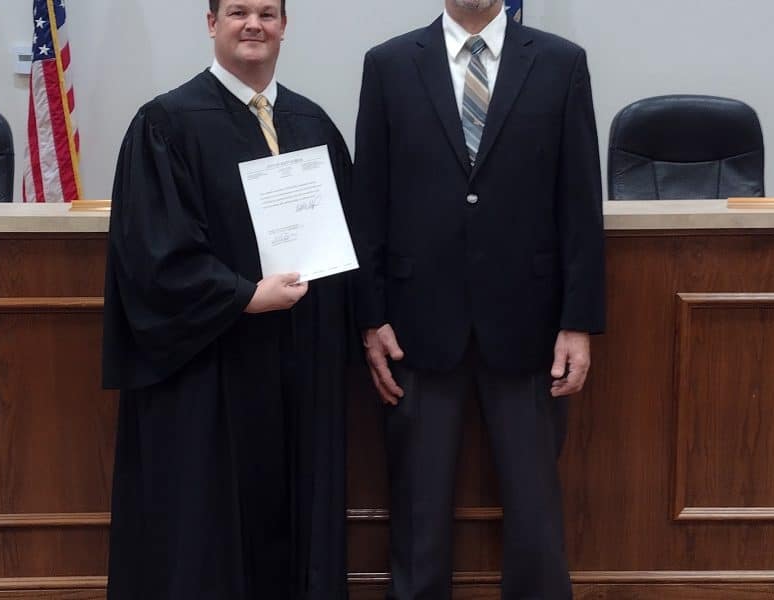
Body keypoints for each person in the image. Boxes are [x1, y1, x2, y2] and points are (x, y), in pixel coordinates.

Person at [352, 0, 605, 598]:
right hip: (415, 324)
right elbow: (369, 201)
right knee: (418, 511)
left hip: (530, 324)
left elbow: (579, 201)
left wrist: (578, 321)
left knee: (535, 511)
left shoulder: (561, 63)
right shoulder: (388, 65)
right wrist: (370, 316)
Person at [101, 1, 351, 598]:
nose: (253, 24)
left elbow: (350, 238)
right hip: (210, 372)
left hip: (300, 366)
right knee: (209, 533)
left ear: (285, 26)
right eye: (238, 11)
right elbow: (151, 257)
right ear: (211, 23)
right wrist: (243, 296)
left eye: (268, 12)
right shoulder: (165, 124)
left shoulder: (312, 124)